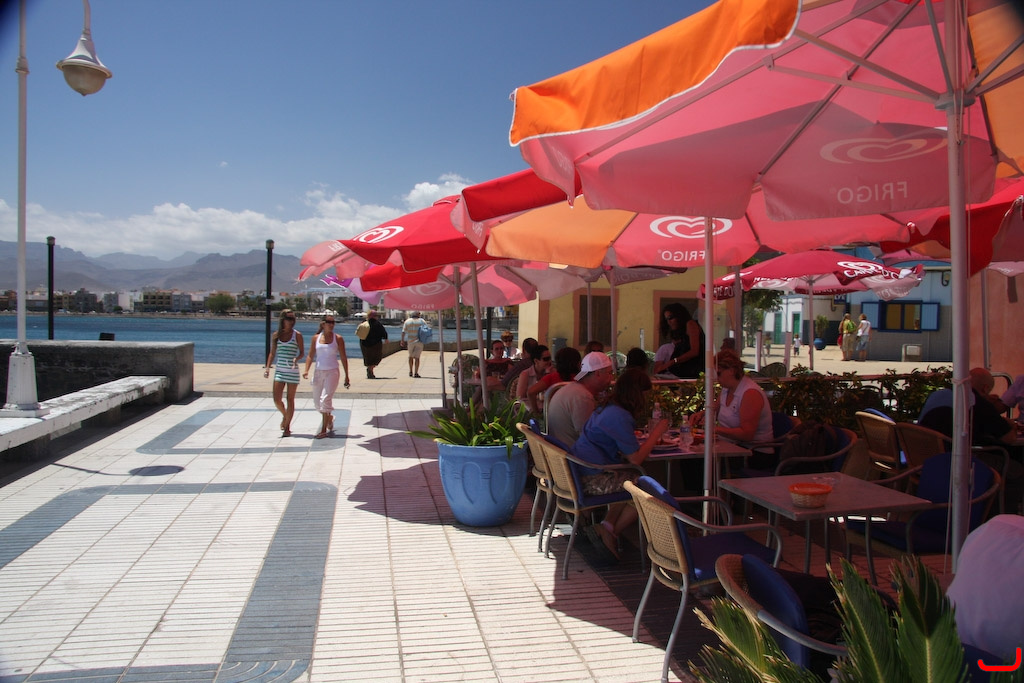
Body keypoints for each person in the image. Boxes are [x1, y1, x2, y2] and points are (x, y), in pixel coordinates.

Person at [571, 369, 669, 559]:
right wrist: (656, 433)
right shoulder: (619, 416)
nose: (647, 398)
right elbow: (635, 459)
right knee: (646, 490)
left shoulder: (607, 408)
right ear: (637, 394)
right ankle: (610, 531)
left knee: (632, 478)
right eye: (646, 394)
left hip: (581, 471)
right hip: (591, 477)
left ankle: (607, 527)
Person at [691, 348, 773, 457]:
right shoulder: (726, 389)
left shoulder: (750, 393)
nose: (717, 378)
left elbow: (747, 434)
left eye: (719, 373)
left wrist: (714, 429)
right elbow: (714, 410)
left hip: (753, 452)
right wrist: (702, 414)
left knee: (696, 461)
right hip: (730, 445)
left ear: (732, 370)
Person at [547, 350, 615, 447]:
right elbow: (590, 440)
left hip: (562, 450)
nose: (612, 378)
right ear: (598, 374)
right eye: (610, 373)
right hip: (572, 454)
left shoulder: (574, 389)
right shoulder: (582, 397)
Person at [302, 314, 350, 438]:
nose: (331, 324)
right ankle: (329, 418)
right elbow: (310, 355)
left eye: (333, 322)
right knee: (317, 403)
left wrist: (347, 375)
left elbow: (343, 357)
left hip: (332, 372)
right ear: (323, 324)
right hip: (318, 372)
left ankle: (323, 430)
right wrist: (306, 370)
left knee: (325, 400)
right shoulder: (316, 338)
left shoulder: (338, 338)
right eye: (329, 322)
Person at [264, 309, 304, 437]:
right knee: (277, 399)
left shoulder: (297, 335)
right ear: (283, 319)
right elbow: (272, 353)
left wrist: (296, 359)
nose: (291, 321)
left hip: (292, 370)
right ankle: (285, 415)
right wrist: (267, 368)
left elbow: (302, 352)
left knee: (290, 399)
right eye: (289, 318)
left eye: (293, 319)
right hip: (280, 370)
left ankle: (287, 427)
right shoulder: (276, 335)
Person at [526, 346, 581, 417]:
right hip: (577, 414)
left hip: (554, 416)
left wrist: (536, 413)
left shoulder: (552, 377)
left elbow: (530, 392)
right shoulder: (581, 378)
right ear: (578, 363)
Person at [654, 302, 705, 378]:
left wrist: (672, 362)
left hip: (693, 372)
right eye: (666, 319)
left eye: (671, 318)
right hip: (684, 373)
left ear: (679, 316)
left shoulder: (690, 324)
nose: (669, 322)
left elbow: (694, 351)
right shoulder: (682, 332)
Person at [515, 344, 552, 413]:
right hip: (529, 409)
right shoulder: (525, 374)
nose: (549, 361)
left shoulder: (552, 372)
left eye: (550, 358)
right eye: (546, 359)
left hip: (548, 408)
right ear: (536, 361)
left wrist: (549, 374)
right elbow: (520, 398)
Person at [360, 310, 388, 379]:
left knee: (368, 358)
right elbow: (383, 332)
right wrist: (386, 339)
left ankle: (370, 370)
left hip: (364, 343)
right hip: (376, 344)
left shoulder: (364, 323)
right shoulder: (378, 324)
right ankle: (370, 370)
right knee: (376, 358)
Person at [400, 311, 428, 378]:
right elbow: (426, 331)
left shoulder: (407, 321)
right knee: (417, 358)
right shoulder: (422, 321)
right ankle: (416, 373)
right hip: (419, 341)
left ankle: (410, 371)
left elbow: (403, 332)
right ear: (418, 315)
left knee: (410, 356)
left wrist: (402, 340)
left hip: (410, 341)